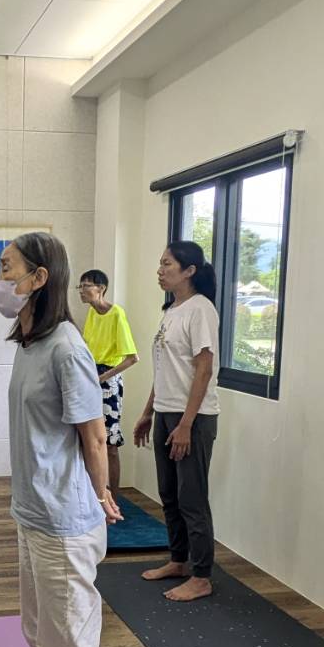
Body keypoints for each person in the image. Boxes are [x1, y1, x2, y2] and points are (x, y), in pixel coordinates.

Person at [0, 232, 124, 647]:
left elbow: (94, 435)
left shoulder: (68, 348)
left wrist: (103, 494)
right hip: (33, 509)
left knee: (69, 638)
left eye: (7, 268)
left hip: (65, 518)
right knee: (37, 626)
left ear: (39, 277)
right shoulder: (29, 343)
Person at [132, 241, 221, 603]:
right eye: (160, 263)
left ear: (189, 271)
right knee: (169, 494)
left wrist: (186, 424)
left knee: (192, 498)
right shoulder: (171, 310)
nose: (160, 270)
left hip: (193, 419)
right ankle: (179, 561)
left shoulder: (201, 310)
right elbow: (165, 369)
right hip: (167, 413)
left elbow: (204, 369)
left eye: (167, 264)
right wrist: (148, 411)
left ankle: (201, 576)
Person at [78, 269, 139, 500]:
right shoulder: (92, 313)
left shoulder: (116, 314)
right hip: (89, 376)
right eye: (80, 286)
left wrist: (102, 378)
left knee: (110, 442)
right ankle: (95, 494)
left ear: (101, 288)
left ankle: (116, 497)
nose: (81, 291)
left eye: (86, 286)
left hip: (108, 380)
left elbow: (132, 358)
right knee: (89, 439)